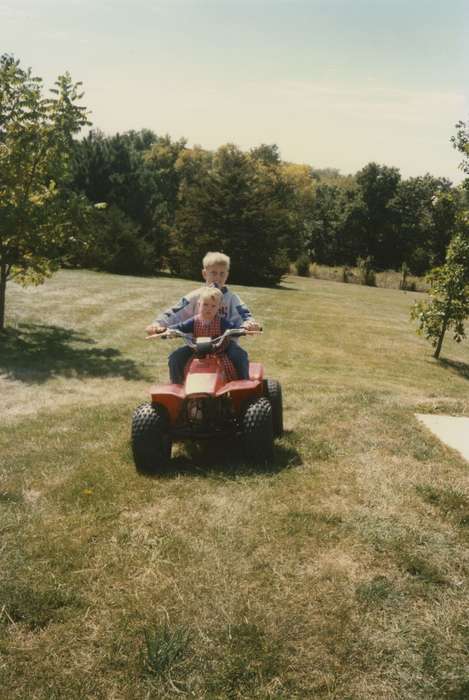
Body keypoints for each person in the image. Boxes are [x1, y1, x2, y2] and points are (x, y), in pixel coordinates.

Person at [146, 251, 260, 384]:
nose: (217, 277)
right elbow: (174, 312)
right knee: (176, 358)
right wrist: (158, 325)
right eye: (213, 273)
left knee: (239, 356)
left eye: (222, 273)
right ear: (205, 273)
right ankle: (178, 389)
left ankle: (243, 390)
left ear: (227, 275)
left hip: (225, 345)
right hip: (196, 344)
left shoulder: (232, 299)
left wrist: (250, 324)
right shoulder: (195, 296)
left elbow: (244, 314)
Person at [167, 286, 238, 381]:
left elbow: (233, 328)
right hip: (197, 350)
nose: (209, 309)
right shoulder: (194, 321)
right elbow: (180, 327)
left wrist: (242, 330)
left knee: (233, 361)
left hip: (219, 352)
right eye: (205, 304)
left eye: (213, 306)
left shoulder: (221, 322)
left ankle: (238, 385)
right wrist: (167, 330)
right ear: (199, 304)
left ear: (219, 307)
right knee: (175, 357)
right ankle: (177, 384)